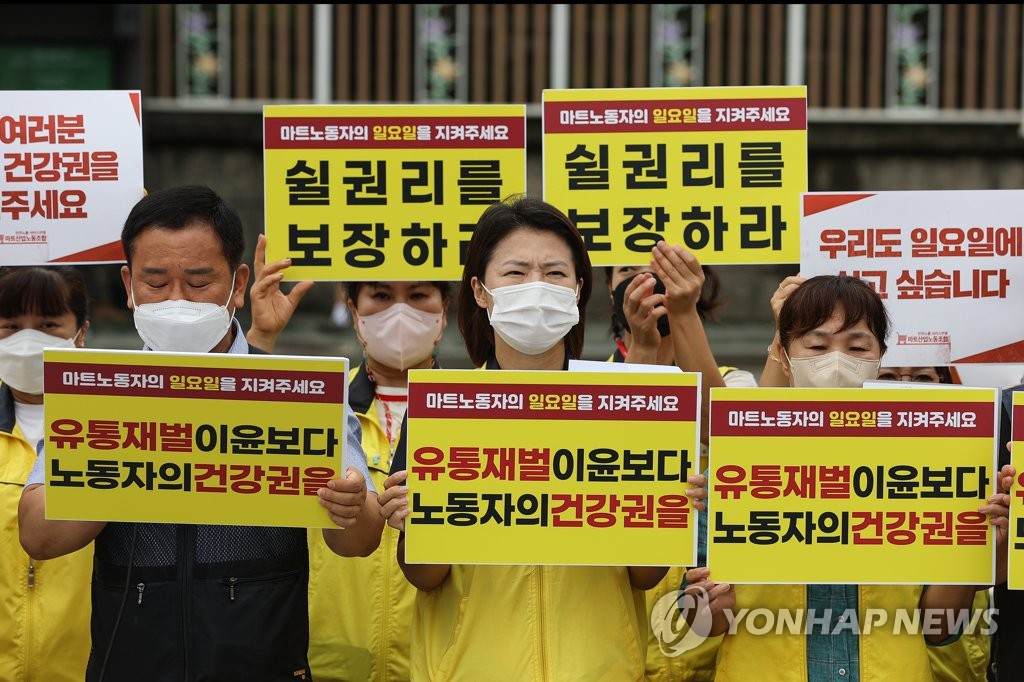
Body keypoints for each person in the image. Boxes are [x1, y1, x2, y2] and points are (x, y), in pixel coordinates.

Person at [18, 184, 384, 681]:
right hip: (132, 661)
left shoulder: (294, 392)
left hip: (262, 659)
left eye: (197, 282)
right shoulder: (96, 389)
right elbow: (38, 534)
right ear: (128, 284)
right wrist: (136, 458)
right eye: (155, 282)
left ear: (237, 285)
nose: (175, 300)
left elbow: (360, 538)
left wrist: (351, 503)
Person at [376, 195, 708, 680]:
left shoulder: (628, 405)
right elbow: (425, 577)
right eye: (515, 272)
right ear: (480, 290)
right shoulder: (443, 406)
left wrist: (666, 507)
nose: (536, 286)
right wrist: (412, 523)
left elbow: (644, 576)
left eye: (554, 273)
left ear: (577, 289)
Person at [685, 274, 1009, 681]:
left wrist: (975, 547)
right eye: (817, 345)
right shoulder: (736, 471)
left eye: (857, 346)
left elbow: (938, 629)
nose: (836, 360)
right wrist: (709, 604)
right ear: (784, 357)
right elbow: (697, 621)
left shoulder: (930, 468)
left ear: (879, 357)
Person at [246, 265, 450, 681]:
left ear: (444, 312)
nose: (399, 312)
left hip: (442, 659)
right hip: (328, 659)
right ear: (353, 310)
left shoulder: (480, 412)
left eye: (418, 296)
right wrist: (260, 343)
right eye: (380, 296)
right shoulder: (318, 407)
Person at [607, 250, 756, 682]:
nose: (647, 279)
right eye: (627, 271)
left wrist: (682, 313)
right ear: (608, 291)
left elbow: (722, 432)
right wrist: (643, 348)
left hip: (708, 640)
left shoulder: (735, 384)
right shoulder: (589, 381)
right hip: (620, 634)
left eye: (663, 268)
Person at [0, 266, 93, 681]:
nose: (26, 340)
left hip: (91, 664)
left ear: (81, 332)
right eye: (10, 326)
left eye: (48, 324)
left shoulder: (119, 428)